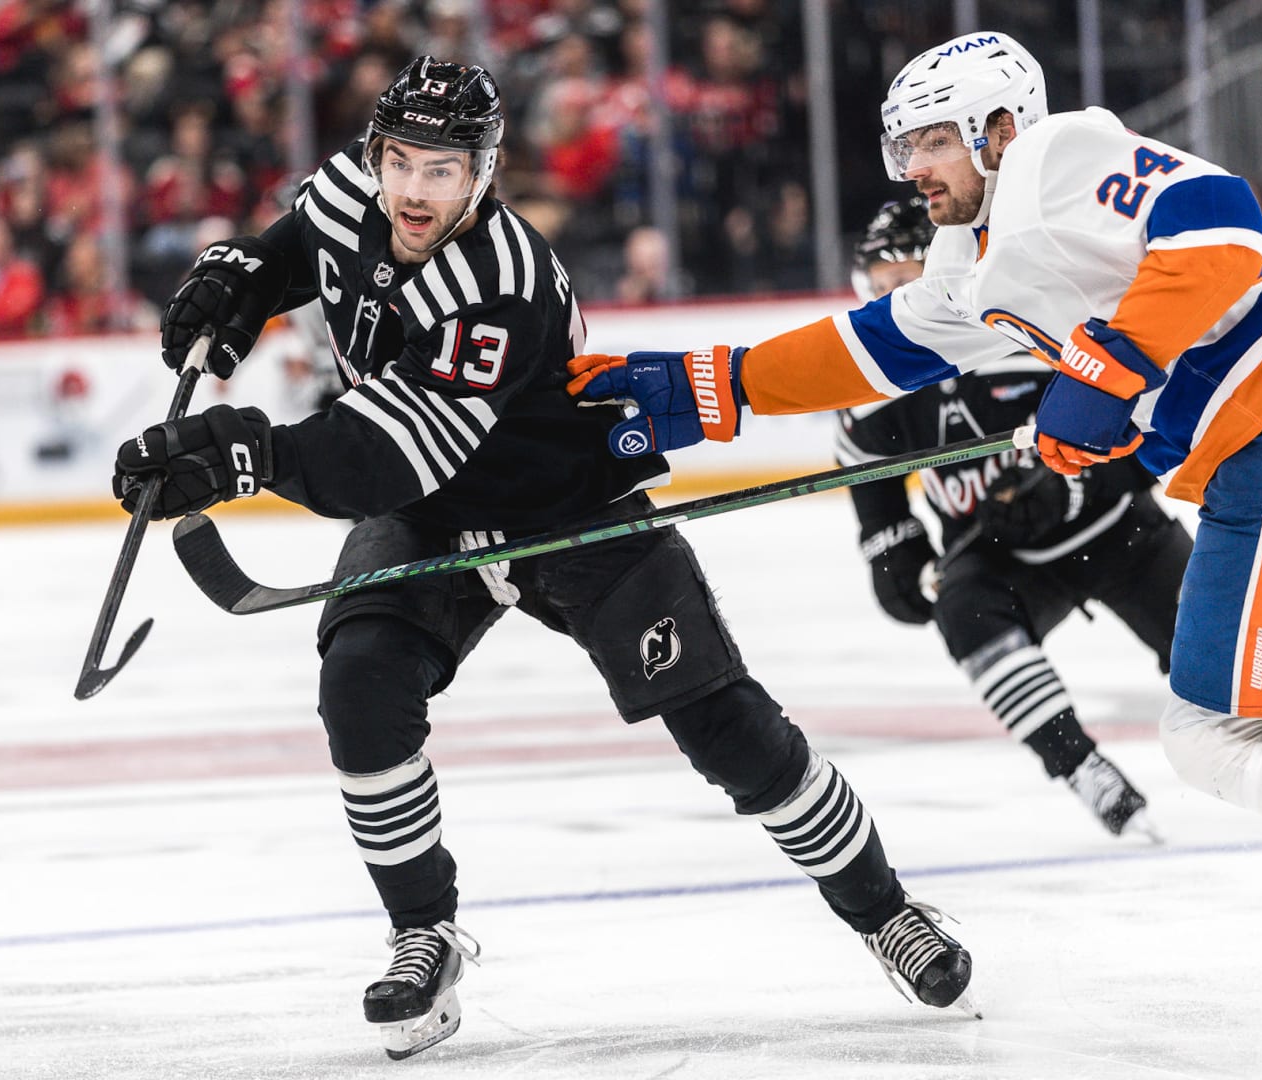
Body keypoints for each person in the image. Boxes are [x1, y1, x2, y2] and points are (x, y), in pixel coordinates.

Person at [109, 56, 979, 1061]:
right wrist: (241, 280)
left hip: (565, 506)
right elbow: (302, 245)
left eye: (443, 171)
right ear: (375, 153)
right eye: (401, 162)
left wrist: (244, 455)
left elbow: (383, 455)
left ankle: (885, 911)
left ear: (485, 173)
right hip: (432, 516)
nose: (414, 191)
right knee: (359, 685)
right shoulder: (355, 186)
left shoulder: (504, 285)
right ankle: (423, 935)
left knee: (723, 726)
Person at [567, 32, 1262, 1002]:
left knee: (1222, 730)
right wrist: (721, 383)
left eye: (934, 142)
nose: (914, 168)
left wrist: (1109, 371)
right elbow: (867, 351)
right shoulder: (969, 269)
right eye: (903, 147)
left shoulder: (1054, 157)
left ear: (1000, 128)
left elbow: (1218, 226)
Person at [839, 195, 1188, 841]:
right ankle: (1082, 768)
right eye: (878, 287)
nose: (888, 302)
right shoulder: (875, 383)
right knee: (964, 611)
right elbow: (871, 479)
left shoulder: (1025, 326)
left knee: (1221, 649)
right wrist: (894, 552)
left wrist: (1074, 485)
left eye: (903, 282)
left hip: (1119, 530)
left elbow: (1148, 435)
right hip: (1001, 556)